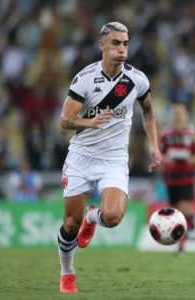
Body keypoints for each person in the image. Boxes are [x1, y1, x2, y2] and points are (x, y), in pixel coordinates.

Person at [57, 22, 161, 293]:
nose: (122, 49)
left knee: (113, 217)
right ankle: (67, 271)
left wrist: (154, 145)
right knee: (70, 224)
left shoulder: (137, 80)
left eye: (125, 44)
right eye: (116, 43)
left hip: (114, 159)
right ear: (102, 45)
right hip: (81, 156)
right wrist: (89, 123)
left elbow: (149, 111)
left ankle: (94, 218)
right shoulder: (85, 79)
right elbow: (65, 120)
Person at [159, 101, 195, 257]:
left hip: (187, 176)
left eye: (180, 112)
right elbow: (158, 153)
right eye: (175, 112)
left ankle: (181, 246)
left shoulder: (192, 134)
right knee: (175, 211)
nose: (178, 115)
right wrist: (165, 159)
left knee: (183, 209)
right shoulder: (165, 134)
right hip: (171, 177)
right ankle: (191, 220)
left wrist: (192, 160)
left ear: (185, 115)